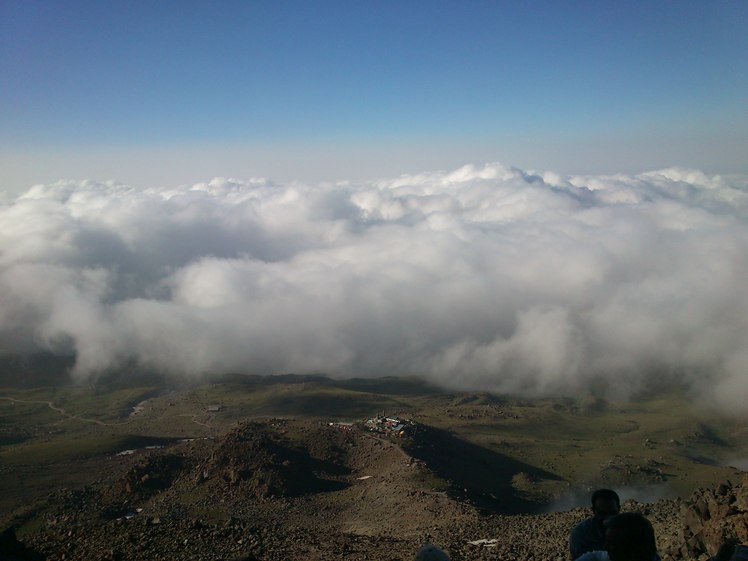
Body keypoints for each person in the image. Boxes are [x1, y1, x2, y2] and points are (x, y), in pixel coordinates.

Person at [570, 489, 621, 559]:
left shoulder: (630, 530)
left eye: (612, 513)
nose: (607, 519)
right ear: (594, 511)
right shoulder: (581, 533)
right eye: (602, 514)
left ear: (619, 509)